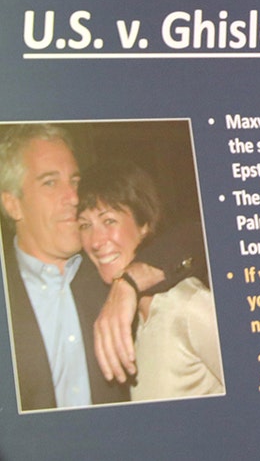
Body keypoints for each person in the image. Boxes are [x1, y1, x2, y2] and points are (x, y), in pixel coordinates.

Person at [0, 124, 196, 410]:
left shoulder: (107, 268)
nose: (74, 197)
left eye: (75, 181)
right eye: (50, 183)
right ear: (12, 204)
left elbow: (194, 235)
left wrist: (130, 280)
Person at [77, 160, 223, 401]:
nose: (95, 241)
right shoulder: (120, 313)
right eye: (85, 225)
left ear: (144, 223)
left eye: (109, 221)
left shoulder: (188, 305)